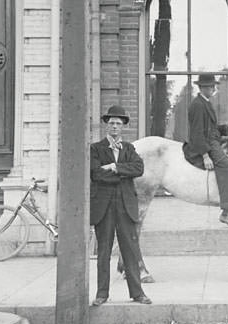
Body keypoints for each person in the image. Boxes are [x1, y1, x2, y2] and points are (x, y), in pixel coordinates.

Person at [90, 105, 151, 306]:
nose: (115, 126)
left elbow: (139, 169)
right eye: (111, 123)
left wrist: (115, 167)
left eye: (118, 123)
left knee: (130, 250)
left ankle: (137, 293)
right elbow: (96, 174)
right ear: (106, 125)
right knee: (104, 252)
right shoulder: (96, 148)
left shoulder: (129, 148)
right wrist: (123, 174)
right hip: (104, 207)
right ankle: (102, 294)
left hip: (126, 206)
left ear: (123, 126)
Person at [182, 73, 228, 228]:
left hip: (211, 141)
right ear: (203, 88)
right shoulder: (197, 105)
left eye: (213, 86)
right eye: (211, 86)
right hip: (205, 144)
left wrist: (225, 127)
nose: (214, 89)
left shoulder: (205, 103)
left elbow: (210, 128)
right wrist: (205, 155)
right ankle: (226, 213)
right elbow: (196, 133)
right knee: (227, 166)